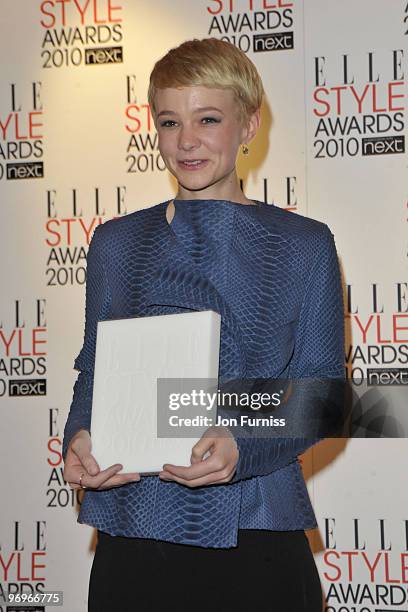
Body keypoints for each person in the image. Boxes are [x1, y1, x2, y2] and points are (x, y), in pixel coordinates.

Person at [63, 37, 345, 611]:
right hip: (133, 531)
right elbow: (96, 370)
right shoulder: (115, 244)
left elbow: (325, 394)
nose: (186, 140)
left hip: (256, 531)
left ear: (249, 126)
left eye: (208, 119)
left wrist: (242, 443)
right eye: (170, 121)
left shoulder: (303, 244)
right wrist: (81, 440)